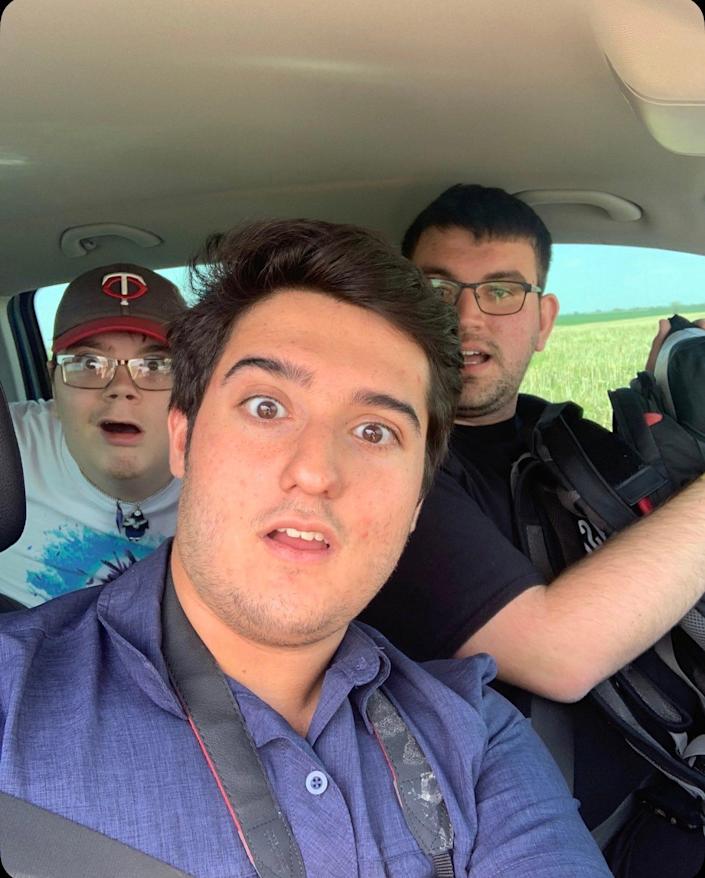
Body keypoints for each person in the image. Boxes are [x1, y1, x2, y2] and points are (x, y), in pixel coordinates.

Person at [0, 220, 610, 877]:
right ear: (183, 440)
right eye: (266, 407)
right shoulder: (14, 697)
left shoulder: (474, 740)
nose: (316, 470)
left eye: (373, 430)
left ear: (415, 504)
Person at [358, 184, 705, 870]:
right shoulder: (383, 467)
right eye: (435, 289)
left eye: (502, 291)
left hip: (674, 790)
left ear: (542, 319)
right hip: (545, 844)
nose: (466, 316)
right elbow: (559, 655)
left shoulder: (570, 439)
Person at [0, 264, 187, 607]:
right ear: (53, 381)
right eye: (88, 364)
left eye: (156, 366)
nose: (121, 389)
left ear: (192, 388)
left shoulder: (232, 472)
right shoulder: (8, 450)